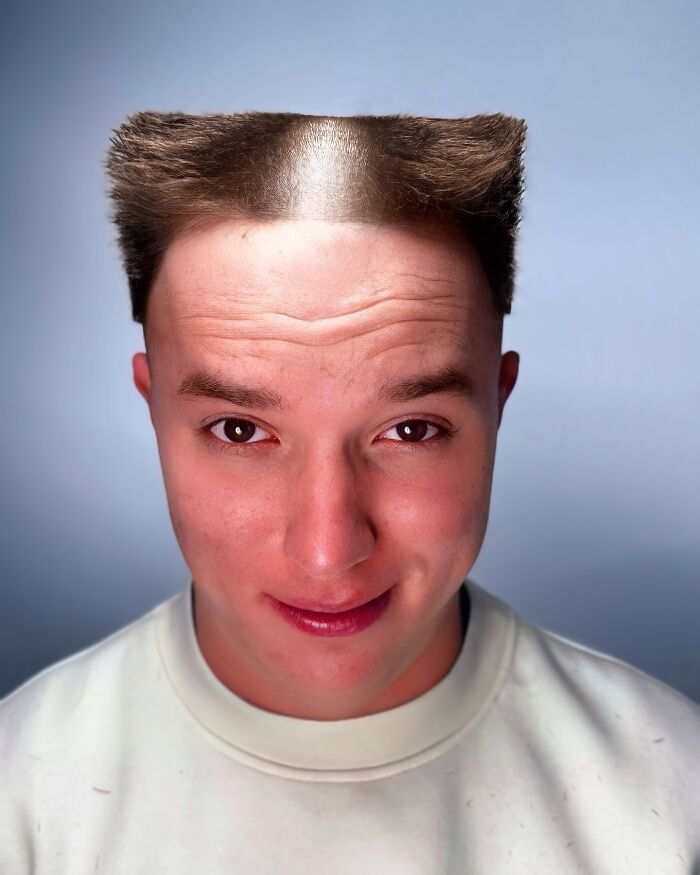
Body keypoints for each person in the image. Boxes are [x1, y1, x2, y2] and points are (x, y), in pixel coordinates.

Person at [1, 110, 698, 873]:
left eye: (411, 430)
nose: (328, 552)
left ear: (497, 405)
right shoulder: (20, 796)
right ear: (154, 406)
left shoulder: (675, 795)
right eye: (240, 430)